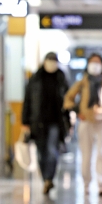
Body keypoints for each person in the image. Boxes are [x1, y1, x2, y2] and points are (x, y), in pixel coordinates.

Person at [64, 54, 102, 196]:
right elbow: (68, 98)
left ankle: (101, 184)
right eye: (92, 62)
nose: (95, 65)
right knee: (86, 155)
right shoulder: (82, 82)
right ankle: (86, 184)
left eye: (97, 62)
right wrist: (78, 111)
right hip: (86, 121)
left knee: (101, 153)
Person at [22, 52, 69, 195]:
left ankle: (49, 177)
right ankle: (45, 178)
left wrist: (68, 122)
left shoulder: (61, 78)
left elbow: (67, 101)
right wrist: (25, 121)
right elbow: (28, 100)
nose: (51, 63)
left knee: (52, 150)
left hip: (56, 121)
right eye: (49, 60)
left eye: (54, 60)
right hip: (38, 121)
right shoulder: (35, 78)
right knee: (41, 152)